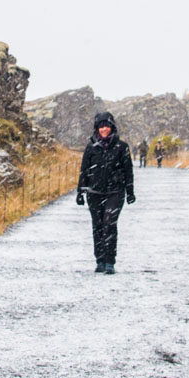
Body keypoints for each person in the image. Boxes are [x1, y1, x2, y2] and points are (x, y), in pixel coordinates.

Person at [76, 112, 135, 274]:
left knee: (109, 224)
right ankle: (100, 260)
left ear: (112, 127)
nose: (104, 129)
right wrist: (80, 192)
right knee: (97, 226)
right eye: (101, 126)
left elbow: (128, 170)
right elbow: (84, 171)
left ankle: (110, 261)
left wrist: (130, 191)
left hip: (115, 192)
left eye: (107, 126)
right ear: (97, 128)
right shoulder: (91, 147)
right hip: (94, 193)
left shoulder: (122, 147)